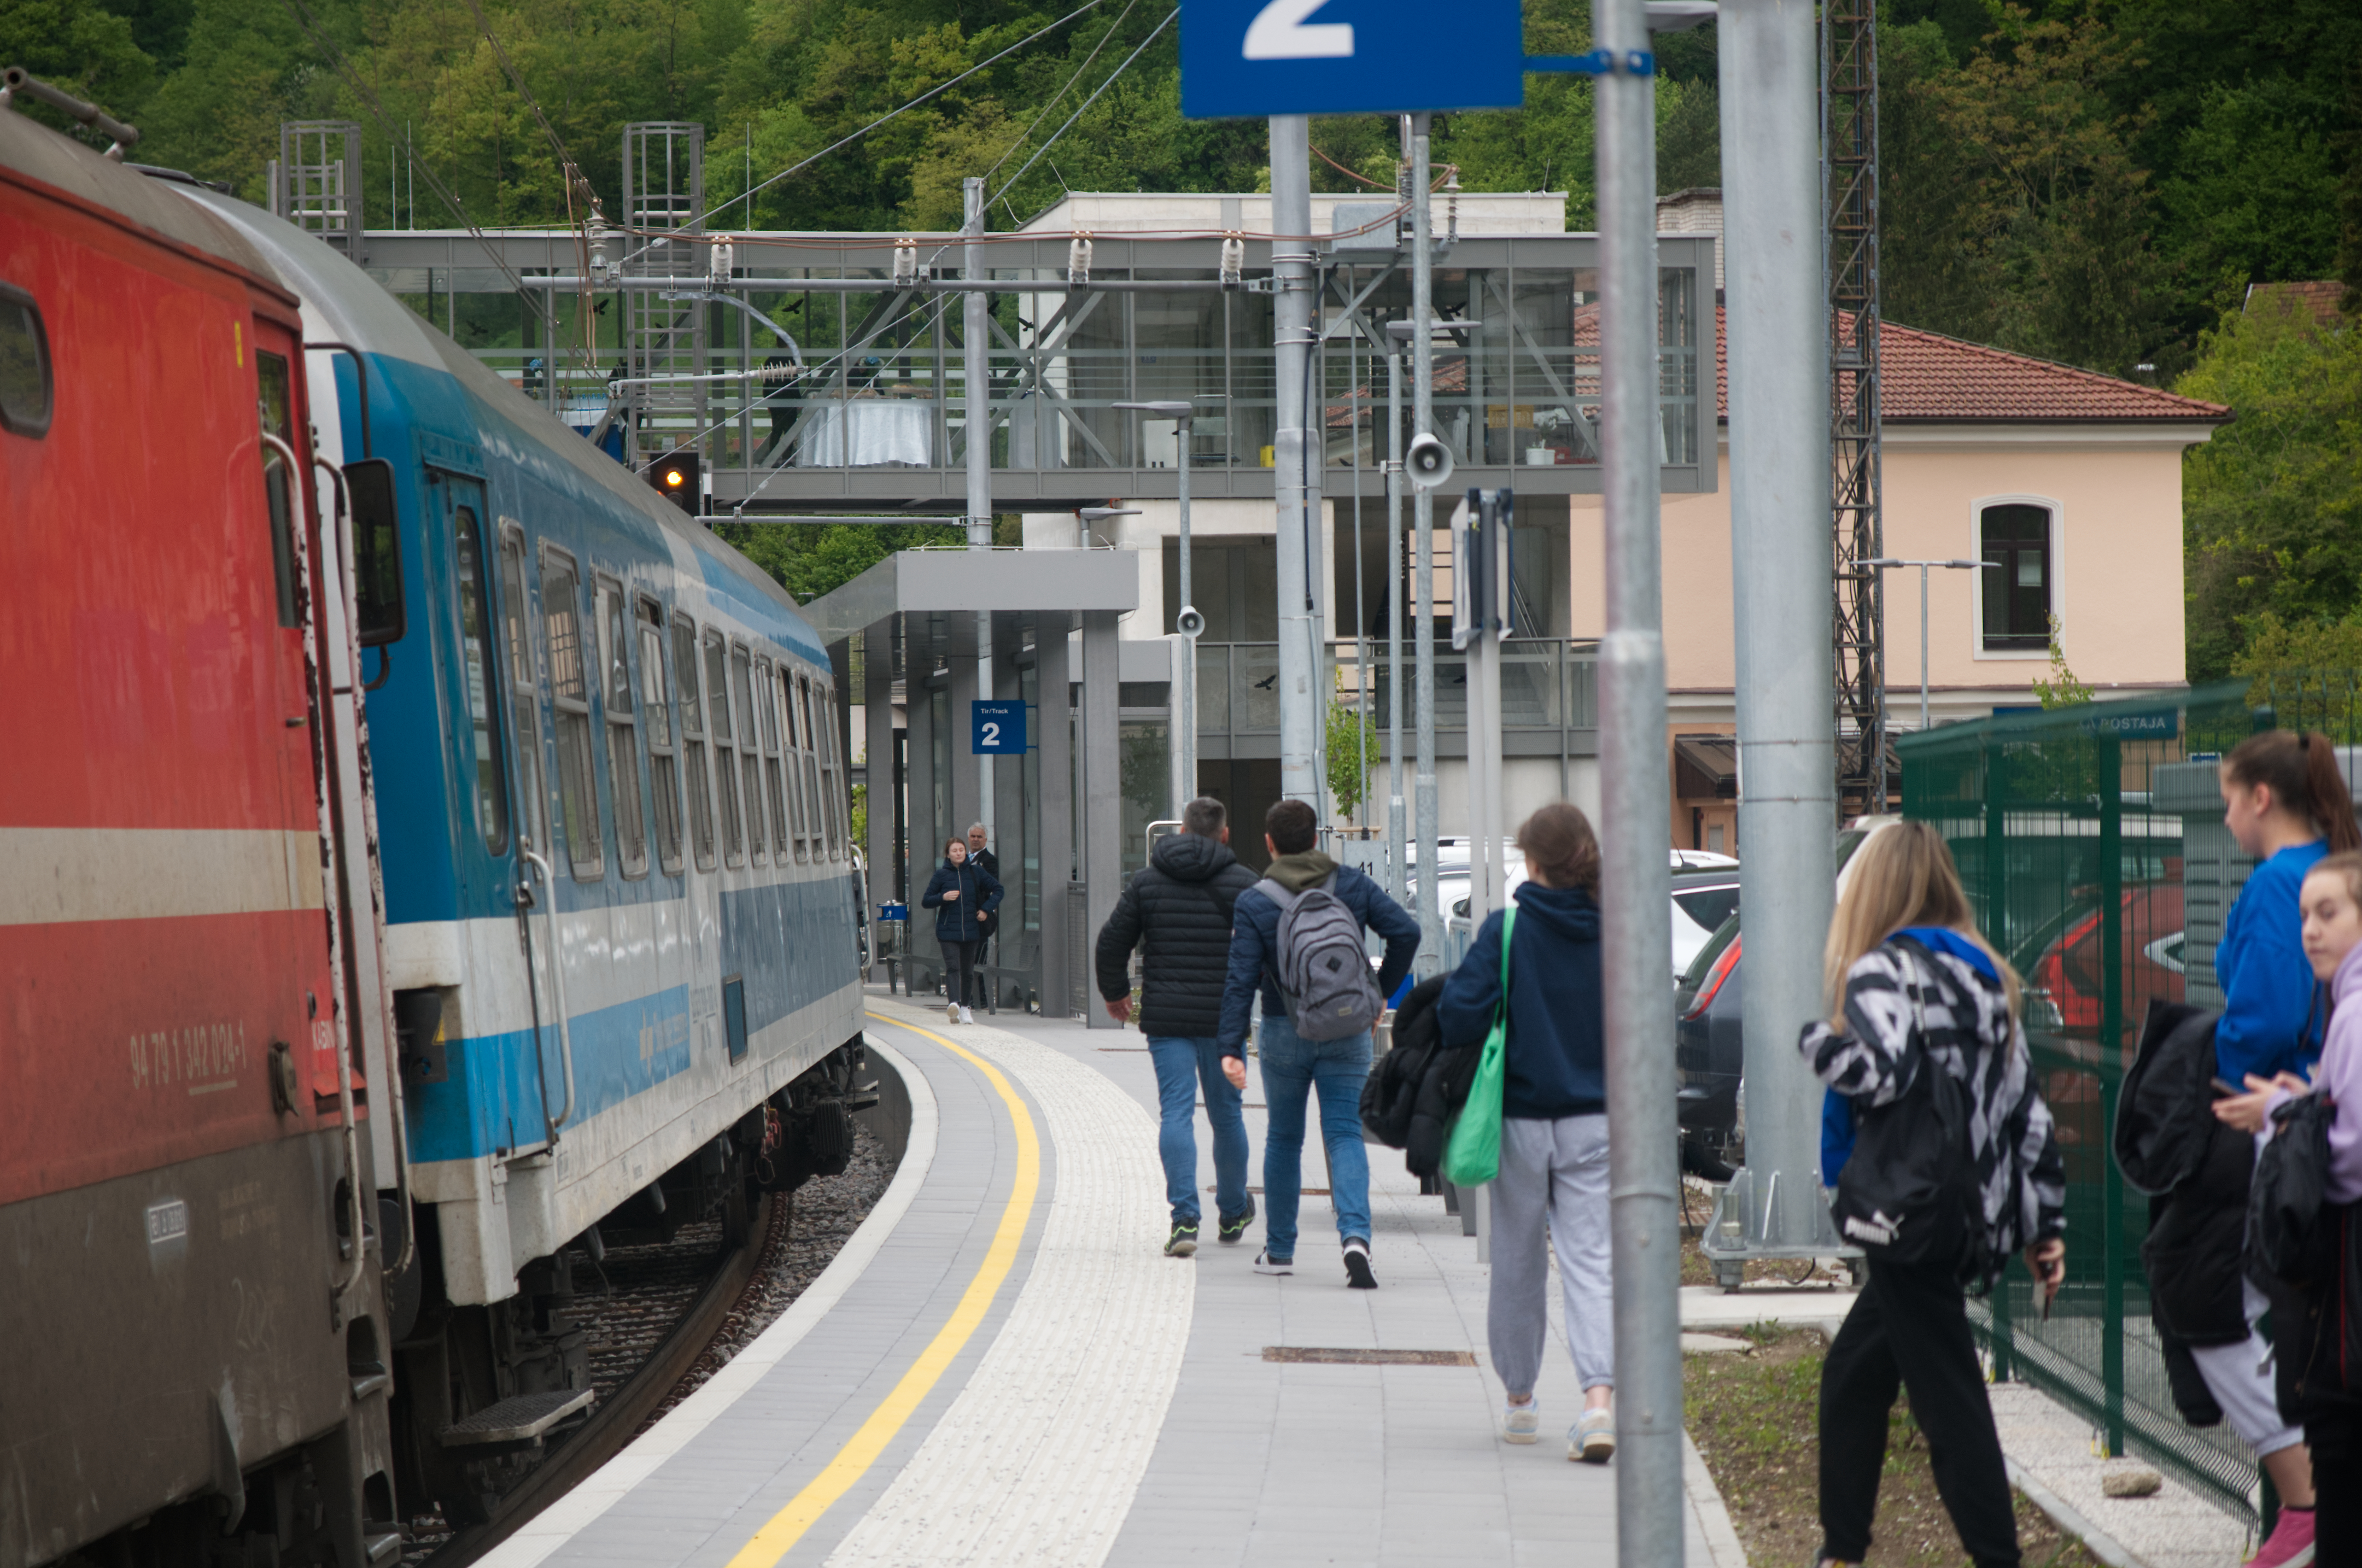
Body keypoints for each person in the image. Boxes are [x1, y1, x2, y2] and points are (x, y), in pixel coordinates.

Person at [1801, 821, 2067, 1568]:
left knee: (1948, 1401)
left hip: (1906, 1214)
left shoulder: (1883, 971)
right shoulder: (1986, 976)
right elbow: (2027, 1110)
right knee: (1855, 1373)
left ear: (1876, 890)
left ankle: (1992, 1557)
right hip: (1962, 1214)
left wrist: (1815, 1042)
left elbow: (1877, 1074)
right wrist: (2044, 1225)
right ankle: (1841, 1550)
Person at [2156, 732, 2349, 1566]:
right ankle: (2301, 1500)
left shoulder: (2281, 881)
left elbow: (2266, 1011)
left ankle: (2302, 1499)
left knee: (2199, 1292)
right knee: (2267, 1301)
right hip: (2291, 1113)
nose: (2227, 815)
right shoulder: (2318, 868)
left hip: (2259, 1113)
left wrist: (2226, 1081)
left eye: (2230, 799)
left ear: (2260, 798)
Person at [1436, 803, 1616, 1463]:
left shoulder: (1508, 930)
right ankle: (1599, 1405)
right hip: (1598, 1119)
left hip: (1517, 1120)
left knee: (1515, 1258)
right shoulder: (1619, 931)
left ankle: (1519, 1403)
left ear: (1533, 862)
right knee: (1591, 1260)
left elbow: (1459, 1017)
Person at [1217, 798, 1420, 1288]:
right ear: (1316, 839)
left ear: (1270, 843)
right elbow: (1407, 932)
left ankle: (1281, 1249)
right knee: (1345, 1134)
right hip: (1348, 1026)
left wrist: (1231, 1045)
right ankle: (1355, 1240)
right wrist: (1378, 998)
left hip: (1285, 1029)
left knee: (1284, 1138)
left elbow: (1240, 979)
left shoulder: (1256, 899)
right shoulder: (1350, 883)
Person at [2230, 850, 2362, 1564]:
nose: (2310, 930)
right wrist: (2308, 1102)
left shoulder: (2356, 1009)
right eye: (2304, 914)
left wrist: (2285, 1112)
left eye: (2330, 913)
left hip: (2349, 1292)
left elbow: (2354, 1153)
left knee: (2342, 1471)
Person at [1095, 797, 1261, 1257]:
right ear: (1224, 834)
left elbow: (1110, 943)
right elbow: (1268, 949)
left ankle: (1185, 1220)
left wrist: (1115, 995)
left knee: (1176, 1114)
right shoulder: (1245, 884)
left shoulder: (1148, 882)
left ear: (1183, 831)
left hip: (1167, 1018)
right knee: (1227, 1116)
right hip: (1225, 1022)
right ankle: (1232, 1212)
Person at [920, 835, 1001, 1026]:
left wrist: (986, 910)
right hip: (948, 930)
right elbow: (926, 901)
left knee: (968, 971)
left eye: (961, 850)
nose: (958, 853)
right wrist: (943, 897)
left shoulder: (976, 872)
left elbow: (999, 890)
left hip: (972, 930)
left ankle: (965, 1009)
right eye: (954, 851)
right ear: (948, 854)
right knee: (953, 967)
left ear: (966, 853)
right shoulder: (941, 875)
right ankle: (954, 1004)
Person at [966, 823, 999, 1013]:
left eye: (980, 837)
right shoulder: (962, 859)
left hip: (980, 918)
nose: (976, 840)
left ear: (986, 840)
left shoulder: (990, 861)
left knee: (978, 958)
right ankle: (970, 997)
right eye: (973, 836)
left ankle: (981, 998)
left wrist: (985, 909)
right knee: (968, 958)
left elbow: (992, 889)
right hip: (964, 918)